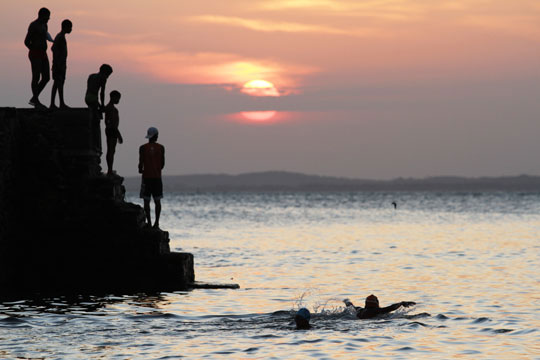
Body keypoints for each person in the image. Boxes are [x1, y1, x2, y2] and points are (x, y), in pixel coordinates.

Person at [24, 7, 52, 109]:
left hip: (43, 53)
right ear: (41, 15)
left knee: (46, 77)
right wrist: (34, 48)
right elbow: (26, 41)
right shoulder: (33, 25)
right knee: (36, 76)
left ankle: (34, 98)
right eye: (47, 17)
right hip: (35, 53)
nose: (48, 19)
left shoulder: (45, 25)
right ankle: (36, 101)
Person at [139, 127, 165, 228]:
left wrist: (142, 169)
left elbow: (140, 165)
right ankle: (156, 223)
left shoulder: (142, 148)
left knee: (146, 201)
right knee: (157, 201)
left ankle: (149, 223)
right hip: (157, 178)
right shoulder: (161, 148)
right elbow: (162, 164)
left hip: (146, 178)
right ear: (156, 136)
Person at [85, 64, 113, 155]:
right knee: (96, 121)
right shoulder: (102, 78)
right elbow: (102, 93)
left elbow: (90, 89)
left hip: (87, 98)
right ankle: (96, 144)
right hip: (93, 99)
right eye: (108, 75)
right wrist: (102, 105)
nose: (108, 77)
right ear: (105, 73)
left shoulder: (91, 76)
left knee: (93, 116)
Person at [50, 19, 72, 109]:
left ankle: (53, 104)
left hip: (59, 64)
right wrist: (58, 62)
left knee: (57, 84)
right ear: (65, 27)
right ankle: (61, 103)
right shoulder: (60, 37)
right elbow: (54, 49)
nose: (71, 29)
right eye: (70, 27)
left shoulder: (60, 37)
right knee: (59, 84)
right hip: (59, 65)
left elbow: (53, 48)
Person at [344, 295, 415, 319]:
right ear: (376, 303)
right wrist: (402, 303)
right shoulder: (377, 310)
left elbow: (350, 305)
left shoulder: (359, 310)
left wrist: (346, 301)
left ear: (366, 304)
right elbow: (391, 307)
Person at [104, 90, 123, 176]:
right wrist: (119, 135)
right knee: (111, 150)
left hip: (111, 130)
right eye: (118, 98)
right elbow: (112, 123)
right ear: (113, 97)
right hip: (112, 130)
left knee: (112, 150)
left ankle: (110, 169)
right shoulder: (111, 108)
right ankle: (110, 170)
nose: (118, 100)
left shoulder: (109, 108)